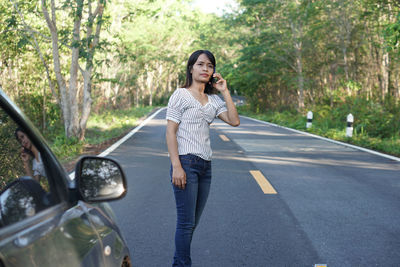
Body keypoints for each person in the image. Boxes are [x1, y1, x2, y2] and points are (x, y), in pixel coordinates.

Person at [166, 50, 240, 267]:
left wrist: (225, 92)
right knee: (186, 223)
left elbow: (234, 121)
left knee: (192, 224)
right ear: (191, 68)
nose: (205, 69)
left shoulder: (214, 101)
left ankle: (178, 263)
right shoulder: (180, 95)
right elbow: (171, 132)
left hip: (205, 166)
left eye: (210, 66)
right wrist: (176, 166)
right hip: (186, 163)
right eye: (200, 64)